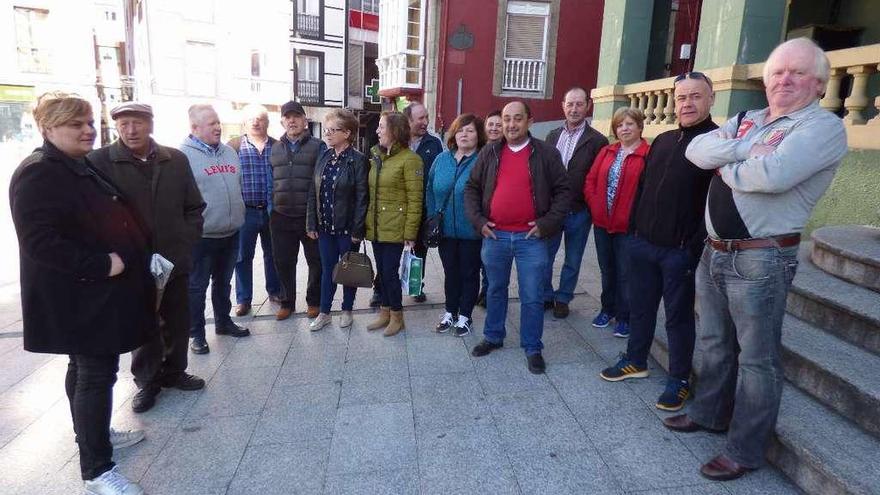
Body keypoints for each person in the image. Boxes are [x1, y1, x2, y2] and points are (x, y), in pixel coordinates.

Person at [668, 38, 847, 482]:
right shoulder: (748, 120)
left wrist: (725, 161)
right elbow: (696, 151)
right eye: (777, 72)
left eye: (797, 72)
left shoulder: (822, 127)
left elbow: (774, 176)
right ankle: (709, 412)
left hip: (763, 259)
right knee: (711, 342)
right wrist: (746, 150)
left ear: (820, 84)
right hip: (716, 251)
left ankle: (744, 449)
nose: (784, 79)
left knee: (756, 359)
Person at [10, 92, 153, 494]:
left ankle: (95, 435)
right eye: (77, 124)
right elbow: (39, 241)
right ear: (49, 128)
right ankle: (97, 470)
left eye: (90, 121)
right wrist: (103, 264)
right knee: (95, 375)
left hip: (94, 295)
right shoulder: (38, 172)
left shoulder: (73, 165)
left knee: (87, 371)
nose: (88, 130)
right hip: (81, 297)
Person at [598, 73, 717, 411]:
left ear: (711, 100)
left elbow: (713, 201)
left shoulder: (714, 141)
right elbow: (643, 188)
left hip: (679, 251)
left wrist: (692, 246)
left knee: (678, 317)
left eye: (696, 96)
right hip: (643, 243)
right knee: (640, 307)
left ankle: (679, 378)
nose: (687, 103)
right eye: (681, 97)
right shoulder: (663, 140)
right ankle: (636, 359)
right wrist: (634, 230)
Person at [89, 102, 207, 414]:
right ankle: (147, 381)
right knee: (143, 323)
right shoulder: (100, 161)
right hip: (133, 263)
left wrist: (186, 240)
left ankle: (175, 370)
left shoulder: (175, 159)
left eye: (137, 122)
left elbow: (194, 206)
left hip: (174, 258)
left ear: (150, 124)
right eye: (124, 123)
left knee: (178, 318)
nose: (131, 130)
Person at [464, 101, 570, 374]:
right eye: (506, 119)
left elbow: (563, 192)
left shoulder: (546, 154)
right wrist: (478, 221)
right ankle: (493, 336)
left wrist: (547, 224)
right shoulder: (489, 152)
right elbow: (472, 188)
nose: (511, 125)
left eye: (517, 119)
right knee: (495, 290)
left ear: (529, 121)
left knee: (532, 294)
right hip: (495, 236)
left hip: (531, 238)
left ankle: (533, 347)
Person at [182, 104, 250, 355]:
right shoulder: (183, 156)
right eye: (211, 123)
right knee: (196, 288)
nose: (217, 127)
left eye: (217, 121)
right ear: (195, 127)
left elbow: (237, 186)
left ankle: (223, 322)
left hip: (231, 232)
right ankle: (196, 334)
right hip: (202, 237)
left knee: (223, 283)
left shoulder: (229, 153)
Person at [542, 87, 608, 318]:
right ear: (563, 106)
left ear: (587, 106)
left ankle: (563, 298)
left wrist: (591, 205)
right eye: (570, 104)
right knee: (546, 256)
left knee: (573, 258)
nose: (574, 109)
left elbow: (599, 177)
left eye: (579, 104)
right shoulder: (551, 136)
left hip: (579, 211)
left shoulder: (598, 140)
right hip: (553, 209)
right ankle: (546, 295)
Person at [583, 107, 648, 338]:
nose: (625, 128)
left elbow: (649, 192)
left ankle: (624, 316)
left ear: (640, 126)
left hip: (628, 227)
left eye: (630, 124)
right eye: (620, 125)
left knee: (626, 273)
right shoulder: (607, 151)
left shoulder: (647, 154)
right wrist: (595, 204)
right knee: (607, 269)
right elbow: (590, 179)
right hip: (602, 222)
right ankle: (606, 309)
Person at [306, 109, 369, 331]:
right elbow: (313, 192)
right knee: (327, 270)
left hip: (347, 228)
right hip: (325, 227)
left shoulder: (358, 160)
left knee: (349, 271)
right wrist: (311, 223)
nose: (328, 134)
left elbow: (363, 197)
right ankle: (324, 312)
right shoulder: (324, 156)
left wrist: (357, 230)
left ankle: (347, 309)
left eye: (333, 130)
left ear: (347, 133)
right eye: (326, 130)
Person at [426, 113, 486, 337]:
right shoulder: (441, 159)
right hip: (446, 231)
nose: (464, 134)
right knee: (451, 272)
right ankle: (450, 311)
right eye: (460, 129)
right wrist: (432, 216)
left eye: (470, 130)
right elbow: (430, 189)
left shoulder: (482, 160)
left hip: (472, 231)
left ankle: (465, 316)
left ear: (478, 135)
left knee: (469, 273)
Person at [365, 112, 424, 336]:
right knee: (382, 271)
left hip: (396, 228)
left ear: (395, 131)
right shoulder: (377, 156)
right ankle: (385, 312)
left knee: (390, 273)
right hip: (378, 226)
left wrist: (410, 232)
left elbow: (415, 199)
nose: (378, 131)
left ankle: (397, 316)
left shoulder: (411, 160)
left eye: (381, 127)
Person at [269, 101, 325, 320]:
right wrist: (270, 209)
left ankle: (314, 301)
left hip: (308, 216)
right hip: (281, 216)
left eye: (296, 116)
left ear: (304, 120)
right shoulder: (274, 147)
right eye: (287, 117)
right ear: (282, 121)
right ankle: (287, 302)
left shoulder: (318, 146)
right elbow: (269, 181)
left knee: (315, 261)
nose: (291, 120)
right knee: (283, 261)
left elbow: (320, 181)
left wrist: (317, 213)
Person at [228, 104, 282, 316]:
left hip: (271, 210)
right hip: (245, 211)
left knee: (273, 254)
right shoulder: (233, 146)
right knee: (242, 256)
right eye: (251, 118)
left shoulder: (278, 146)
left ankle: (275, 291)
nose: (256, 122)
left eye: (260, 118)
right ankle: (243, 299)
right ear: (244, 122)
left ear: (267, 122)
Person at [404, 101, 443, 303]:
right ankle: (380, 286)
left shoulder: (434, 144)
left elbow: (438, 177)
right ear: (408, 120)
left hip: (423, 209)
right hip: (398, 208)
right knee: (390, 251)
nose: (425, 122)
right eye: (421, 118)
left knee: (419, 250)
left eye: (426, 117)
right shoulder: (397, 141)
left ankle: (416, 286)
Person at [476, 109, 503, 307]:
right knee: (478, 257)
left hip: (494, 216)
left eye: (498, 125)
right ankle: (483, 290)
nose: (493, 128)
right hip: (476, 213)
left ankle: (488, 292)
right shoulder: (479, 150)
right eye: (490, 124)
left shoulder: (506, 152)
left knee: (490, 261)